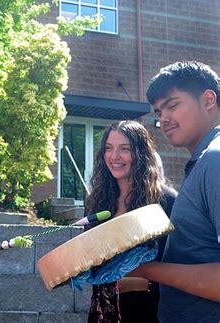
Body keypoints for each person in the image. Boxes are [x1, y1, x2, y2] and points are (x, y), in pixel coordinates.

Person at [132, 61, 220, 322]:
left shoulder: (215, 159)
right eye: (159, 112)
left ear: (208, 100)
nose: (164, 119)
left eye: (172, 105)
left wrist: (146, 268)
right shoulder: (202, 161)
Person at [85, 120, 177, 323]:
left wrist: (132, 280)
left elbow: (175, 265)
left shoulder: (167, 201)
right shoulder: (96, 201)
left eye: (124, 149)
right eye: (108, 148)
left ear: (140, 153)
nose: (114, 156)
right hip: (104, 312)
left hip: (151, 312)